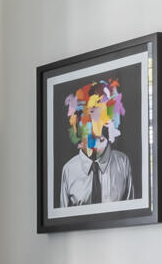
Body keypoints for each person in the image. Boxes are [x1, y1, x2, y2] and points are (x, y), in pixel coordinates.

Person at [58, 77, 135, 206]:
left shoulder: (122, 163)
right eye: (81, 112)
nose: (86, 118)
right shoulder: (69, 170)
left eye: (93, 110)